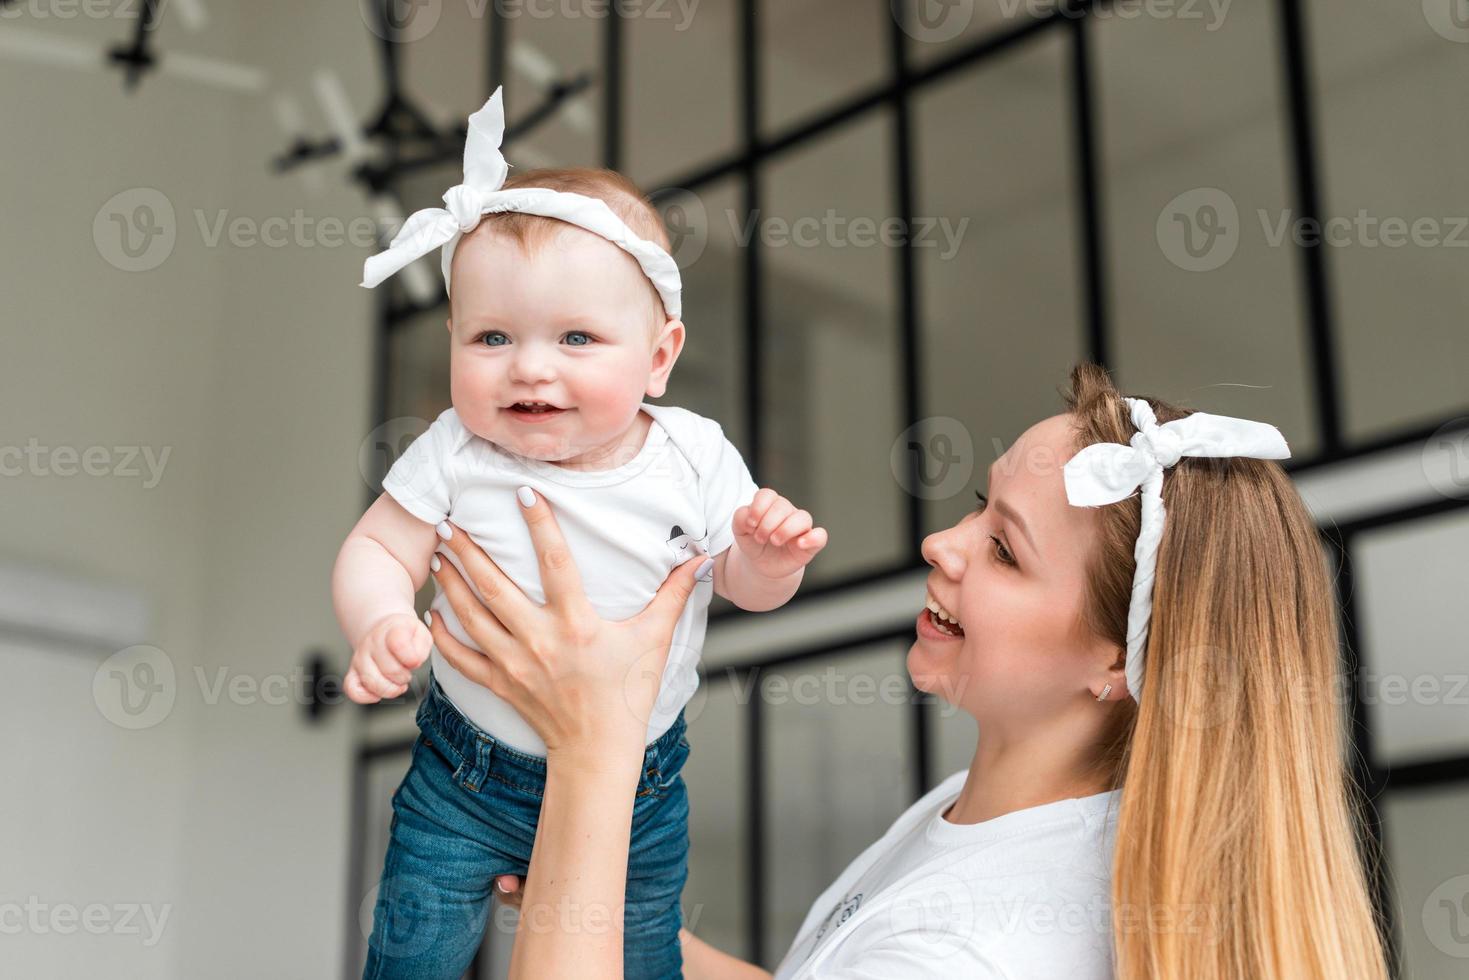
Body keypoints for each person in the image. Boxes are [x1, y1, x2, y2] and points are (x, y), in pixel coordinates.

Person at [419, 362, 1392, 979]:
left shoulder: (977, 949)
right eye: (977, 505)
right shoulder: (994, 815)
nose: (941, 541)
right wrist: (611, 909)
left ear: (1117, 662)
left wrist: (592, 758)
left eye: (1004, 550)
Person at [331, 88, 827, 979]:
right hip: (461, 779)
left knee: (638, 959)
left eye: (575, 338)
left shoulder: (694, 455)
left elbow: (742, 591)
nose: (529, 367)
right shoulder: (455, 449)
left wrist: (763, 556)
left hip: (635, 791)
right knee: (410, 954)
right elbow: (377, 548)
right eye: (489, 336)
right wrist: (379, 620)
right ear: (450, 338)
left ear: (660, 356)